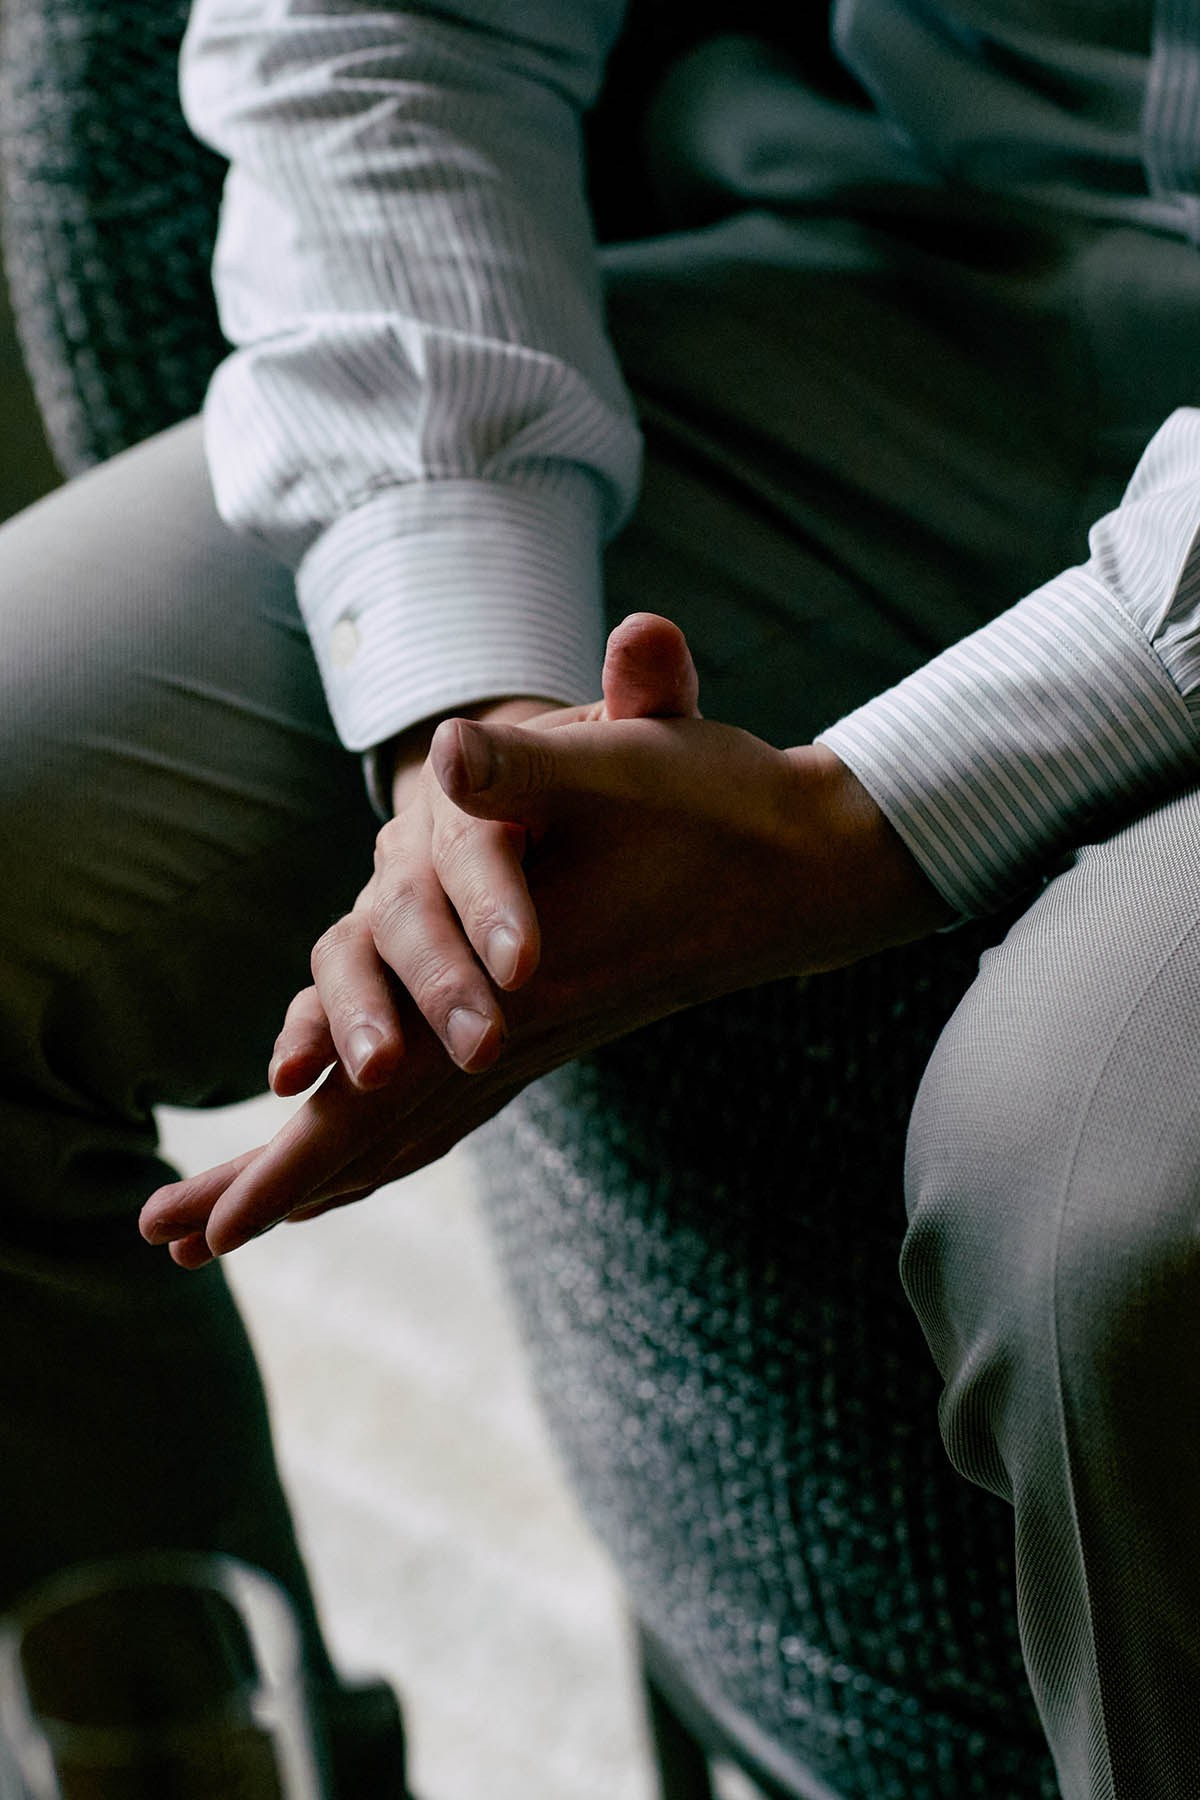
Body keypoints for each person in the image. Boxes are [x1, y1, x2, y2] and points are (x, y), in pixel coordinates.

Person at [2, 1, 1199, 1795]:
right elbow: (389, 30)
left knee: (1108, 1220)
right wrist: (474, 728)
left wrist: (874, 816)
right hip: (931, 277)